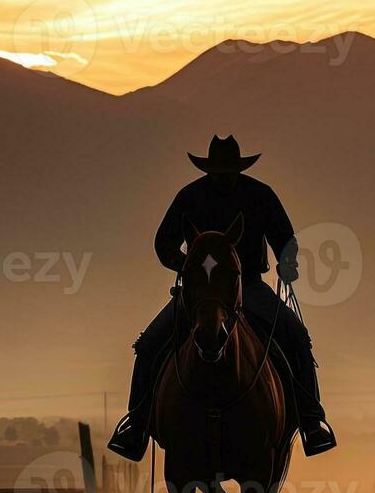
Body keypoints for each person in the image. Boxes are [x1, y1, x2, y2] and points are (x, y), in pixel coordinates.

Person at [107, 135, 337, 460]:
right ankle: (137, 425)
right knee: (148, 345)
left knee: (297, 337)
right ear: (210, 169)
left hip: (248, 286)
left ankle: (312, 422)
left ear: (237, 169)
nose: (223, 176)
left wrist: (287, 262)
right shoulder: (190, 197)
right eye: (218, 170)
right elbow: (164, 243)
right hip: (199, 291)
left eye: (228, 170)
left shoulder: (260, 195)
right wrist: (188, 268)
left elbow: (285, 238)